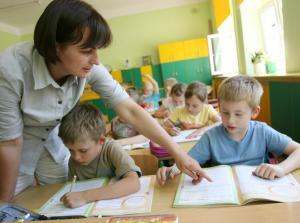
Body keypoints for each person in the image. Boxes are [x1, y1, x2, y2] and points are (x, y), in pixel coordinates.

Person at [0, 0, 206, 202]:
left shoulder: (89, 68)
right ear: (56, 47)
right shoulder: (10, 71)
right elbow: (10, 143)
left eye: (97, 49)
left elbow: (131, 110)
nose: (97, 60)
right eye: (86, 51)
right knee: (11, 201)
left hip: (53, 144)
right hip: (13, 149)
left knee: (54, 202)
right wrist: (4, 204)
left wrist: (179, 154)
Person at [157, 75, 300, 185]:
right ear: (219, 108)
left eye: (238, 114)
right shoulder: (211, 137)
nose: (230, 120)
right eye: (225, 113)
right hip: (222, 196)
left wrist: (282, 168)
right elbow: (187, 162)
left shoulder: (262, 131)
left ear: (254, 112)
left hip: (258, 194)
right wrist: (171, 171)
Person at [58, 103, 141, 208]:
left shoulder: (111, 149)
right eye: (70, 150)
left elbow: (133, 183)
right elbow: (74, 190)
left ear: (101, 140)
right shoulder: (73, 160)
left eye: (83, 150)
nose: (76, 157)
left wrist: (85, 196)